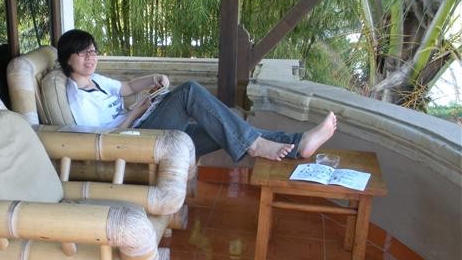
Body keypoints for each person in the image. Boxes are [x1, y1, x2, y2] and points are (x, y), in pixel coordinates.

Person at [57, 29, 336, 161]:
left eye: (93, 51)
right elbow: (103, 139)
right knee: (189, 92)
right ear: (68, 58)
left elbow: (127, 87)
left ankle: (298, 144)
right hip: (131, 141)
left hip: (143, 125)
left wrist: (154, 79)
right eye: (83, 52)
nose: (91, 57)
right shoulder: (77, 97)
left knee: (222, 128)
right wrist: (135, 112)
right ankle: (255, 146)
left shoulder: (96, 80)